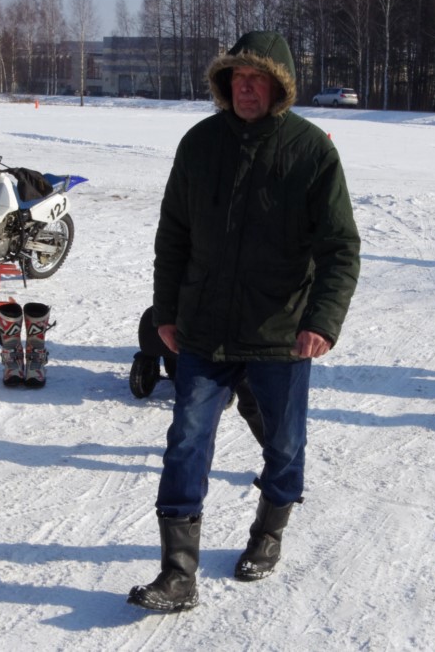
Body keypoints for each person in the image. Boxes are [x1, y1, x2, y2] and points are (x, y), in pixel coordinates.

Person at [127, 31, 361, 612]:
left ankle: (268, 533)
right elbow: (173, 236)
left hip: (279, 333)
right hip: (204, 328)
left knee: (283, 444)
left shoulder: (310, 151)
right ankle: (178, 574)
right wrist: (166, 312)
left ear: (279, 86)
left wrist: (322, 321)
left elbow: (340, 247)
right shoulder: (200, 143)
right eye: (237, 77)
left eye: (257, 79)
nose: (246, 88)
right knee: (186, 441)